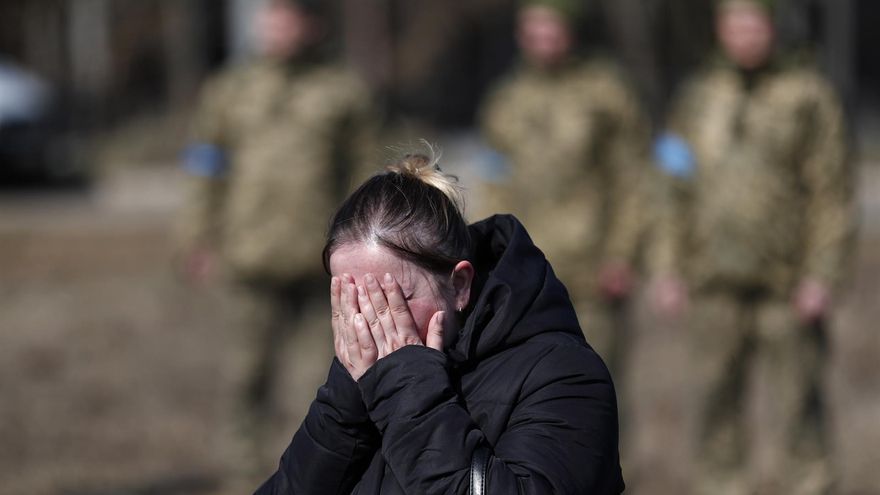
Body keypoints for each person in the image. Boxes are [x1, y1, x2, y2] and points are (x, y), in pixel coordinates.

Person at [255, 152, 625, 494]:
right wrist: (343, 410)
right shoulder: (359, 379)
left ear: (459, 284)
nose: (370, 323)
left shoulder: (564, 375)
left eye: (392, 299)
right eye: (352, 302)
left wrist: (409, 391)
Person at [649, 0, 855, 493]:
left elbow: (832, 193)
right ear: (720, 27)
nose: (744, 34)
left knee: (800, 416)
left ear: (772, 26)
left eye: (754, 22)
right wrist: (666, 266)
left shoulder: (808, 95)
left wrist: (822, 275)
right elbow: (670, 187)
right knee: (715, 415)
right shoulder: (697, 97)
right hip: (713, 284)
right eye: (734, 22)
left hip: (788, 287)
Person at [176, 0, 375, 464]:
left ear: (313, 25)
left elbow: (365, 175)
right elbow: (206, 168)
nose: (277, 27)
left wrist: (367, 247)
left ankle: (314, 471)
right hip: (250, 255)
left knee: (323, 380)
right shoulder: (230, 89)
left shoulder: (342, 90)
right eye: (272, 16)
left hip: (321, 261)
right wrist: (197, 237)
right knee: (245, 375)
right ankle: (243, 472)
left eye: (290, 17)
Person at [477, 0, 650, 375]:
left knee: (593, 380)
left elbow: (632, 179)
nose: (543, 36)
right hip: (524, 272)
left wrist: (622, 254)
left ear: (571, 29)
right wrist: (489, 256)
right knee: (526, 385)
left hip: (592, 271)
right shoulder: (506, 101)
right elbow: (494, 182)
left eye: (552, 25)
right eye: (534, 27)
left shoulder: (605, 93)